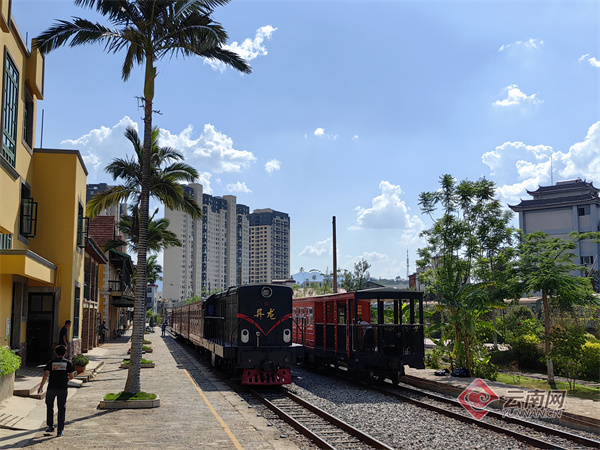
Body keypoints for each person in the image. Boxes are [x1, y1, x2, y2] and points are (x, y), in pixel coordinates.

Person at [37, 345, 74, 437]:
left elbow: (46, 374)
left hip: (51, 388)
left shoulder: (51, 362)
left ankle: (50, 426)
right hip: (62, 388)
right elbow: (71, 376)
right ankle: (60, 430)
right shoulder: (68, 363)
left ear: (55, 353)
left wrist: (41, 386)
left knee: (49, 406)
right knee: (61, 408)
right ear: (65, 353)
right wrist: (66, 379)